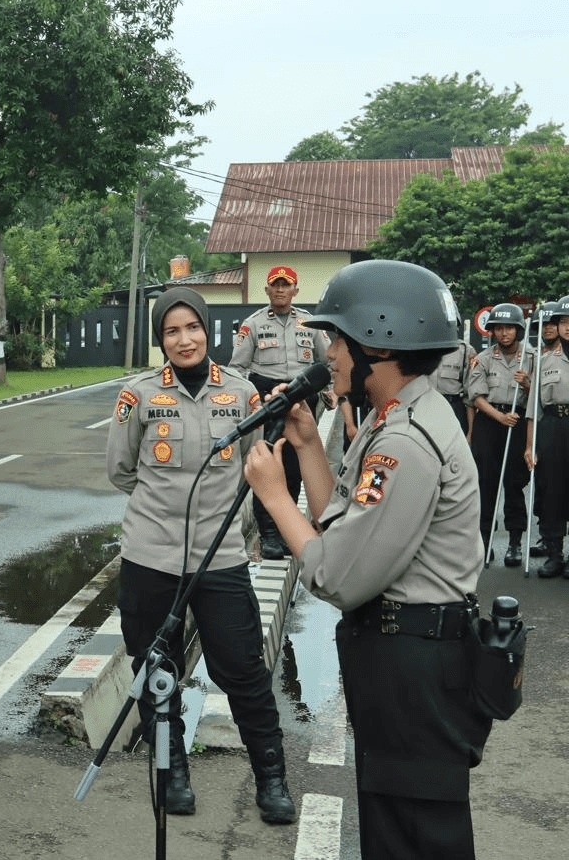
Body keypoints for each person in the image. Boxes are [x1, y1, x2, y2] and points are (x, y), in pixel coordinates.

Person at [244, 259, 494, 859]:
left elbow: (336, 573)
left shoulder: (405, 442)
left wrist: (276, 498)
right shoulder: (397, 419)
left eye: (336, 337)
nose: (327, 351)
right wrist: (307, 447)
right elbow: (345, 526)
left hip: (414, 666)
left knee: (414, 838)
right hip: (405, 658)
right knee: (394, 827)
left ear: (376, 343)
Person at [107, 287, 297, 825]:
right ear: (160, 339)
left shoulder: (240, 393)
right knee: (156, 668)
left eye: (192, 328)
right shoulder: (137, 395)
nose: (184, 339)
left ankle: (272, 779)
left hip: (221, 560)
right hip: (151, 558)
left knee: (242, 671)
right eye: (171, 330)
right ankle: (173, 773)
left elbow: (255, 469)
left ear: (207, 331)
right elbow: (121, 471)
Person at [230, 265, 332, 559]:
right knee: (267, 462)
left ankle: (287, 533)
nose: (280, 289)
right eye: (275, 284)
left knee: (294, 465)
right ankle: (269, 535)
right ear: (267, 290)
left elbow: (326, 363)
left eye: (285, 285)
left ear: (295, 290)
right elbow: (237, 369)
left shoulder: (310, 324)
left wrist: (331, 392)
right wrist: (250, 402)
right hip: (267, 397)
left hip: (300, 398)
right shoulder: (253, 324)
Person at [466, 303, 531, 566]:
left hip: (518, 422)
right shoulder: (482, 359)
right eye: (499, 329)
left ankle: (515, 543)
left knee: (515, 484)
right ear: (492, 332)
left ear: (518, 330)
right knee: (486, 483)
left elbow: (538, 396)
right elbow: (477, 398)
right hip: (491, 423)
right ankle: (484, 541)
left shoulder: (531, 357)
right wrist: (499, 417)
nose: (504, 333)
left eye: (509, 328)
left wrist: (527, 383)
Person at [525, 298, 569, 578]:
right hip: (553, 427)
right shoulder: (545, 360)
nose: (568, 327)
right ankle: (554, 553)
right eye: (564, 322)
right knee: (552, 489)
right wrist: (530, 445)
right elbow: (533, 408)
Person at [430, 326, 478, 435]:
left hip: (453, 408)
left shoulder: (466, 350)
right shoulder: (422, 348)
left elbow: (470, 396)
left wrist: (470, 433)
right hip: (426, 407)